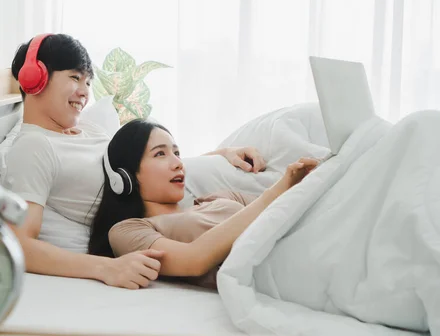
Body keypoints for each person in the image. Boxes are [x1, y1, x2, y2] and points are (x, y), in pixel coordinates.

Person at [4, 33, 268, 289]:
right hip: (174, 224)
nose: (85, 92)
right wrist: (104, 268)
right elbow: (20, 243)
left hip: (202, 202)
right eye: (75, 78)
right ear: (34, 78)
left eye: (88, 82)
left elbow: (141, 166)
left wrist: (219, 155)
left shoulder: (89, 129)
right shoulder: (34, 147)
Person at [88, 119, 318, 289]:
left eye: (177, 153)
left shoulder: (219, 199)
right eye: (160, 154)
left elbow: (289, 213)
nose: (178, 163)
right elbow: (193, 260)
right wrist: (279, 188)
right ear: (125, 177)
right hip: (288, 273)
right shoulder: (128, 230)